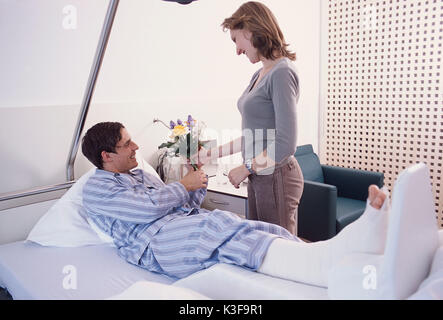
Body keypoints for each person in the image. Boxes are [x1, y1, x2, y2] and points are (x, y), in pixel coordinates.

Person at [81, 122, 390, 287]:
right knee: (218, 231)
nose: (136, 147)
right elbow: (145, 209)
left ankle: (332, 253)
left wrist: (195, 185)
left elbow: (173, 205)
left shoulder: (139, 174)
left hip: (179, 224)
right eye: (127, 144)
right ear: (106, 156)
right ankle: (326, 265)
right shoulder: (97, 187)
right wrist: (181, 187)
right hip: (153, 245)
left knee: (239, 225)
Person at [197, 1, 303, 235]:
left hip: (276, 176)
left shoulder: (282, 72)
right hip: (261, 176)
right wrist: (210, 154)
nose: (236, 50)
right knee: (261, 246)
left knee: (279, 252)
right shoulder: (260, 73)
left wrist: (246, 168)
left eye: (236, 40)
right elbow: (253, 136)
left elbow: (285, 143)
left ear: (252, 29)